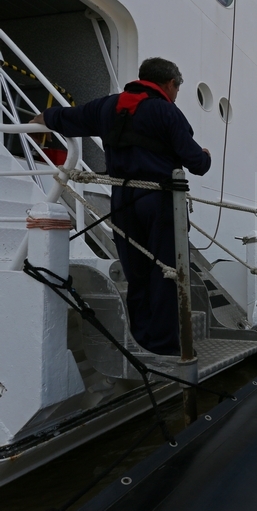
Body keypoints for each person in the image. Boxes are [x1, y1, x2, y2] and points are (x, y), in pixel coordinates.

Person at [32, 57, 211, 356]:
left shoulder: (107, 106)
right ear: (169, 84)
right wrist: (205, 155)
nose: (177, 93)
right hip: (159, 201)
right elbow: (197, 164)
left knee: (136, 271)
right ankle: (166, 345)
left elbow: (69, 118)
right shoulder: (167, 111)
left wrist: (41, 118)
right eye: (177, 88)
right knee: (166, 272)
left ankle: (141, 338)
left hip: (122, 200)